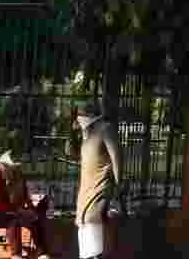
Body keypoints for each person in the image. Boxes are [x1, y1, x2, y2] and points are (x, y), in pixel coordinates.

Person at [0, 150, 52, 259]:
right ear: (3, 166)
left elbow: (25, 196)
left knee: (35, 219)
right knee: (13, 220)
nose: (15, 169)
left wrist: (31, 210)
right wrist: (16, 211)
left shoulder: (19, 177)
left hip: (13, 210)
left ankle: (41, 252)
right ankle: (16, 254)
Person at [74, 102, 122, 259]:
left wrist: (118, 186)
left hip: (99, 190)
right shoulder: (87, 134)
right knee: (85, 234)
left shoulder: (105, 129)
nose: (79, 119)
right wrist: (71, 134)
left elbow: (116, 158)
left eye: (81, 115)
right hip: (85, 193)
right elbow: (73, 153)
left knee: (93, 229)